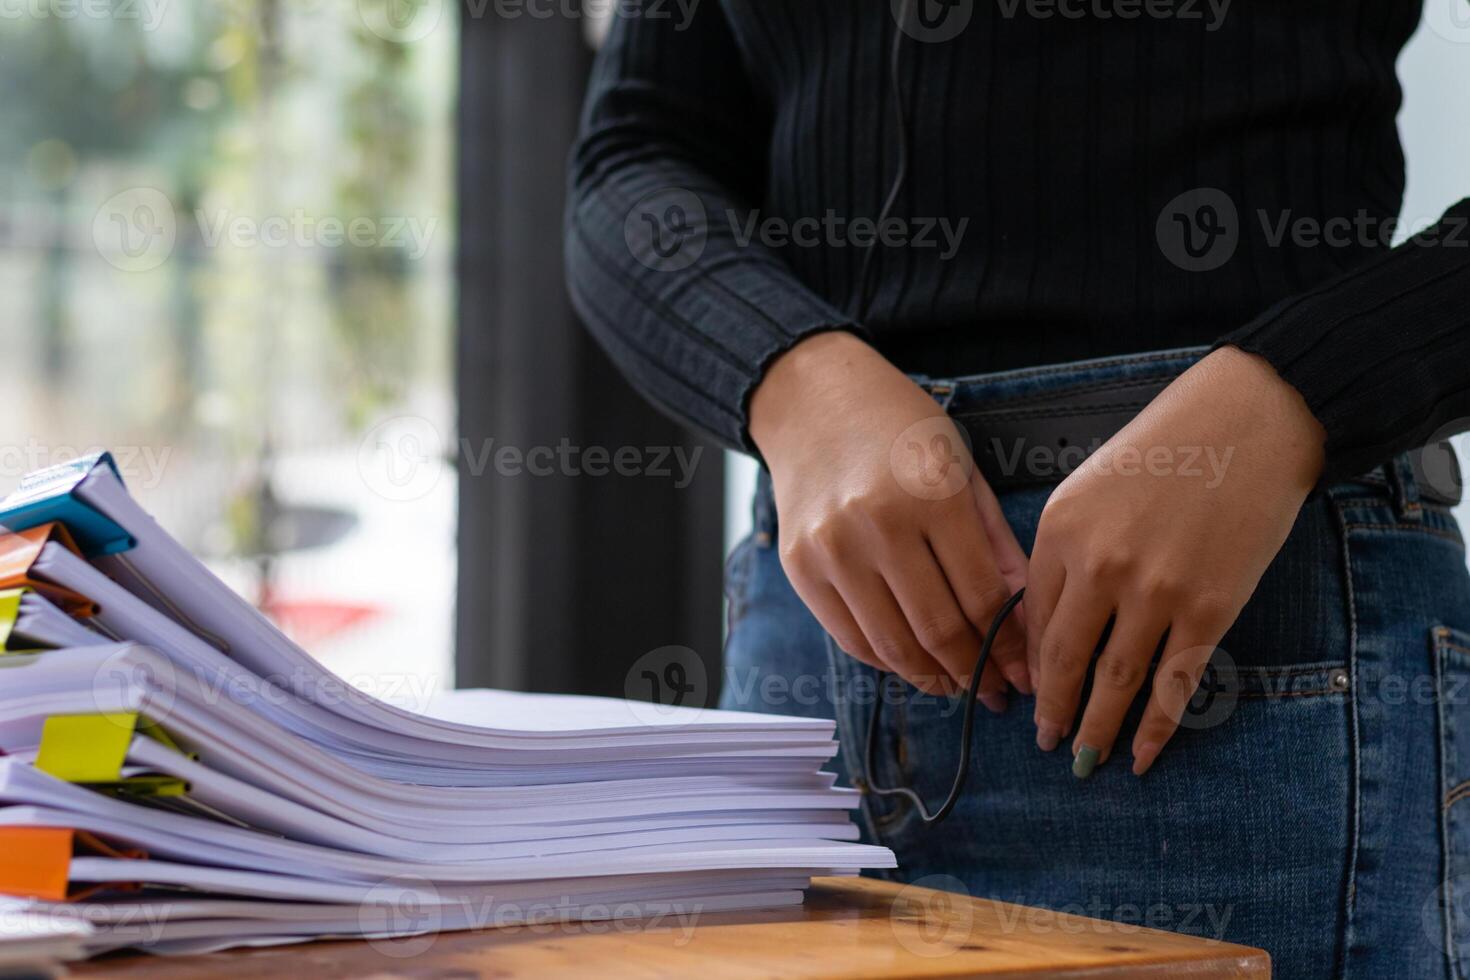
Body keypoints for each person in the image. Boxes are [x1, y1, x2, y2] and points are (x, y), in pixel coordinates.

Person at [564, 2, 1470, 975]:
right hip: (819, 643)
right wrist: (795, 383)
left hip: (1235, 643)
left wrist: (1296, 392)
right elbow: (634, 155)